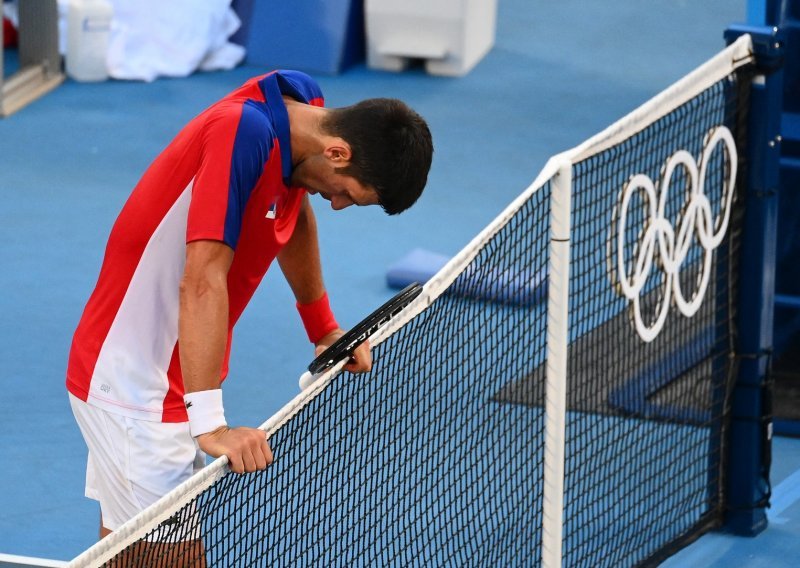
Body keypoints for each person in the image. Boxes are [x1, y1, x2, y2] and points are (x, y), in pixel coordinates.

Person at [65, 69, 433, 543]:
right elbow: (202, 278)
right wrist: (212, 425)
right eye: (347, 193)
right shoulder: (243, 131)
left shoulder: (302, 113)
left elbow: (294, 211)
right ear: (337, 152)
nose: (337, 205)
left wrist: (323, 328)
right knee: (168, 556)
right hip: (136, 385)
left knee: (124, 549)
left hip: (165, 376)